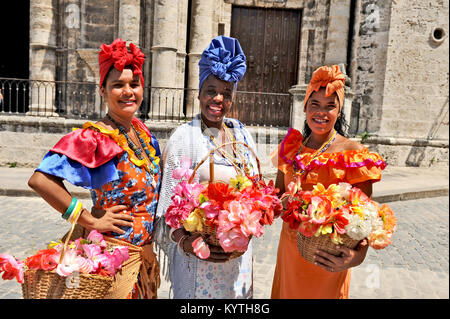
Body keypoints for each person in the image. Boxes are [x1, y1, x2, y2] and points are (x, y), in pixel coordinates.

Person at [27, 38, 162, 299]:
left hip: (143, 260)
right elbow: (40, 180)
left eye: (134, 84)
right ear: (102, 90)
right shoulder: (95, 137)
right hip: (113, 259)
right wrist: (89, 219)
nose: (128, 92)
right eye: (117, 85)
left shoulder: (143, 133)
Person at [155, 35, 259, 299]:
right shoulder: (184, 138)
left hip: (237, 265)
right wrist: (185, 241)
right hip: (198, 263)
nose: (218, 99)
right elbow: (166, 208)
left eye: (226, 93)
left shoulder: (242, 134)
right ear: (199, 93)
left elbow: (256, 193)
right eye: (211, 90)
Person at [270, 65, 387, 299]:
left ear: (339, 110)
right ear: (305, 107)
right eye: (315, 104)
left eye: (330, 106)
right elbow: (276, 196)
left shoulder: (353, 154)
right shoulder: (291, 148)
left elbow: (365, 217)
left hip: (328, 260)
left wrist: (356, 257)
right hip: (290, 254)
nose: (321, 113)